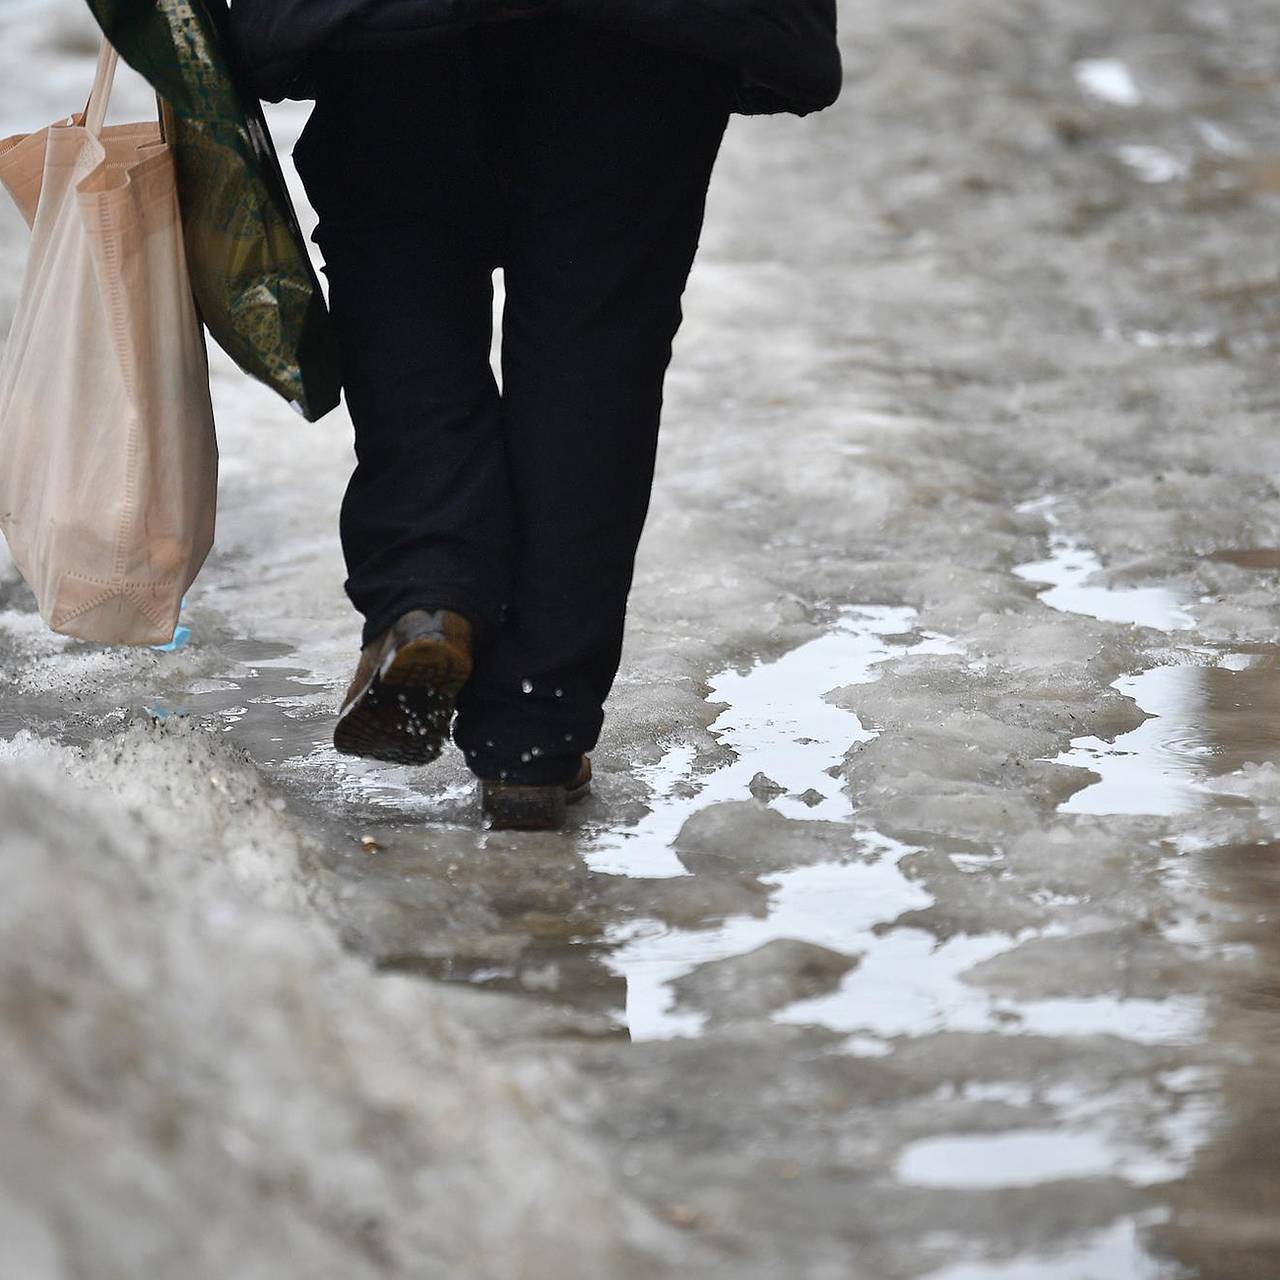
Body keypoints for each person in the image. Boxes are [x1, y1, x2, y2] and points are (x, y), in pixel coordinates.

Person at [229, 0, 841, 828]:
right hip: (640, 43)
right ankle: (535, 727)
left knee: (406, 290)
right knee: (597, 345)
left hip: (395, 30)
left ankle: (427, 595)